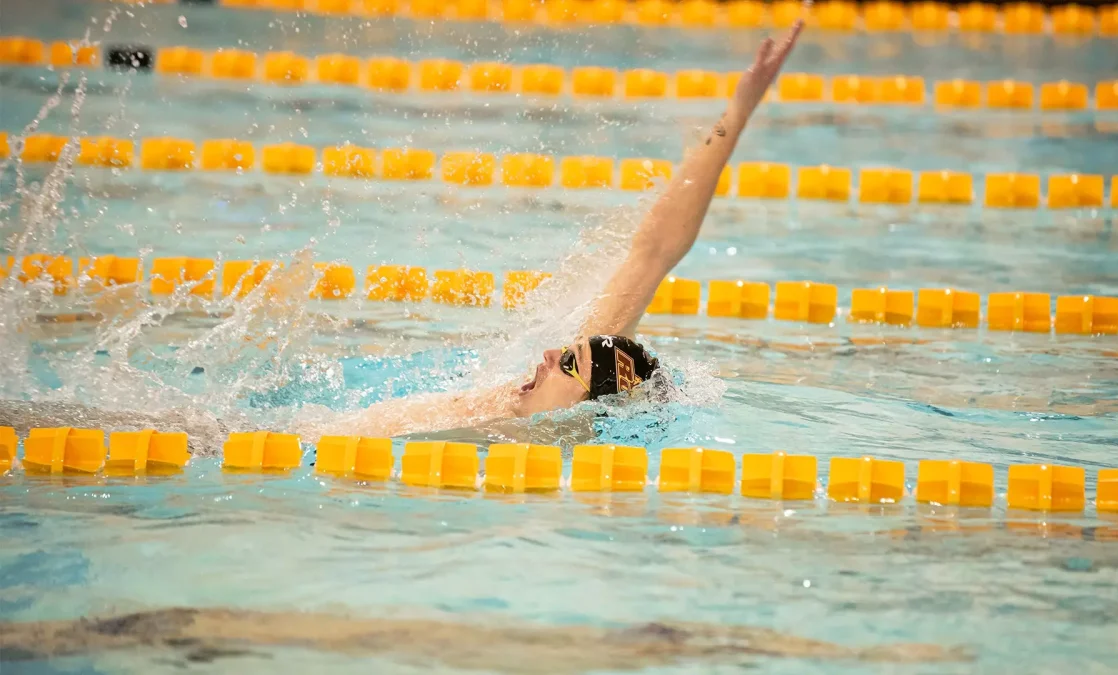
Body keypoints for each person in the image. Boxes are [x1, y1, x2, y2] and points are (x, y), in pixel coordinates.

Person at [302, 21, 807, 440]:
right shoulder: (529, 404)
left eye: (568, 364)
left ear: (592, 409)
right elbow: (654, 250)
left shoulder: (532, 443)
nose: (549, 354)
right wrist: (736, 115)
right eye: (569, 354)